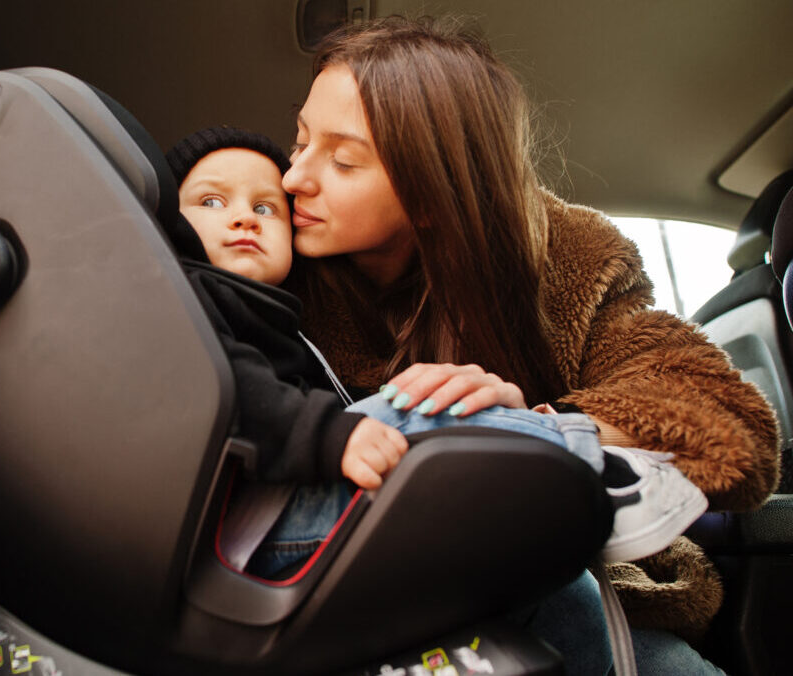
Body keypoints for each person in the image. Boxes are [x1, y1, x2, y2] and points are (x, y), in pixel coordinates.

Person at [274, 14, 779, 675]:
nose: (293, 179)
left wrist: (527, 427)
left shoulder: (571, 258)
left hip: (564, 595)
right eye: (300, 140)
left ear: (431, 190)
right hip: (345, 605)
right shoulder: (266, 256)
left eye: (342, 160)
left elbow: (730, 427)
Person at [165, 125, 708, 569]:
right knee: (413, 411)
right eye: (212, 201)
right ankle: (577, 475)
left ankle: (569, 467)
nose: (293, 179)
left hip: (290, 513)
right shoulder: (183, 296)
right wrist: (334, 433)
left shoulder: (278, 307)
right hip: (241, 529)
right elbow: (226, 383)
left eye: (266, 209)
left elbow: (709, 408)